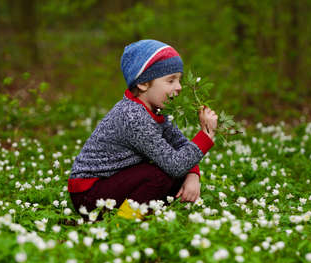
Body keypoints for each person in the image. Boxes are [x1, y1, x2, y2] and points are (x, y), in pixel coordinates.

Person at [68, 39, 218, 215]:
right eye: (170, 81)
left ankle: (148, 216)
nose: (178, 87)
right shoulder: (133, 116)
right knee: (159, 175)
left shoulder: (156, 111)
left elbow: (180, 145)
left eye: (179, 80)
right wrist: (206, 135)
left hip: (113, 182)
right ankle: (124, 223)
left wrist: (193, 174)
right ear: (143, 84)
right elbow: (175, 165)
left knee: (173, 176)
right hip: (90, 193)